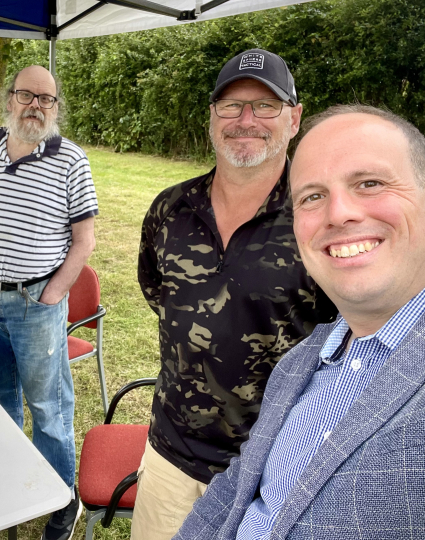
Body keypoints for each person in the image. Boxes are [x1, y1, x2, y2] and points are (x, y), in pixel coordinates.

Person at [175, 105, 425, 540]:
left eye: (369, 183)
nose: (339, 213)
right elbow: (241, 489)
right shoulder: (302, 362)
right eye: (312, 197)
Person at [135, 49, 336, 539]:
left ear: (294, 118)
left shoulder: (321, 220)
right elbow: (157, 291)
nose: (246, 120)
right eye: (231, 106)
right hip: (169, 459)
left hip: (275, 472)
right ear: (211, 117)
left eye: (265, 106)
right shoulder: (171, 209)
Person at [0, 65, 98, 540]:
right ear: (10, 98)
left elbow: (85, 239)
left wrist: (53, 293)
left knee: (49, 406)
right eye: (27, 95)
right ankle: (8, 491)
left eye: (47, 99)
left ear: (56, 108)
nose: (36, 105)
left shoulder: (71, 160)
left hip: (34, 304)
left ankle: (63, 497)